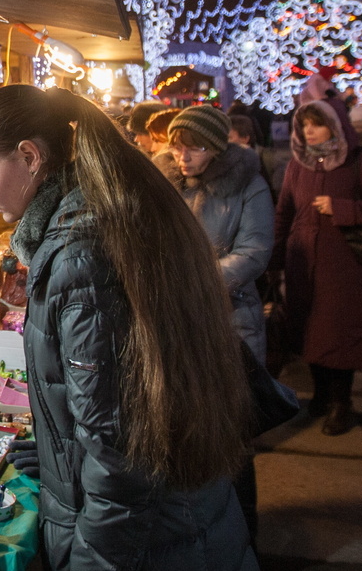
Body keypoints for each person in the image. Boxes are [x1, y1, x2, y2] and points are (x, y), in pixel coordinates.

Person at [0, 85, 254, 570]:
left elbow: (121, 458)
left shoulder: (81, 255)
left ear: (30, 156)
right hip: (181, 519)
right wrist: (58, 455)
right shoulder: (99, 215)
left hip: (159, 542)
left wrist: (90, 563)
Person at [155, 106, 275, 543]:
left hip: (229, 321)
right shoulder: (163, 183)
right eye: (178, 146)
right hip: (174, 322)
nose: (184, 156)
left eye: (196, 147)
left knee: (233, 436)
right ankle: (196, 532)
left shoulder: (248, 184)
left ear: (218, 148)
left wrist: (197, 283)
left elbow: (255, 251)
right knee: (184, 430)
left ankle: (244, 536)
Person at [272, 99, 362, 436]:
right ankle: (320, 394)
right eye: (304, 125)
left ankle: (341, 402)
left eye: (317, 124)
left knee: (341, 334)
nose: (309, 131)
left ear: (336, 126)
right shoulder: (297, 165)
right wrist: (273, 259)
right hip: (302, 263)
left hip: (343, 264)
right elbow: (284, 212)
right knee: (308, 331)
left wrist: (341, 208)